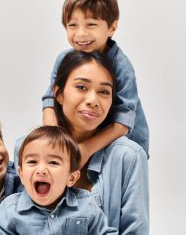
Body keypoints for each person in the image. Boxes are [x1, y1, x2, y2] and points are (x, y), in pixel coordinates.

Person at [16, 51, 149, 234]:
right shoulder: (25, 148)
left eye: (104, 92)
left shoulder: (128, 157)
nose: (93, 100)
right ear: (59, 94)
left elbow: (135, 230)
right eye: (81, 87)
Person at [42, 0, 149, 168]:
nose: (81, 33)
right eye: (72, 25)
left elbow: (122, 123)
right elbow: (50, 99)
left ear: (112, 28)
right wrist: (54, 135)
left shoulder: (121, 67)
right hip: (86, 132)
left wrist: (86, 149)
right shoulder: (64, 59)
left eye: (91, 24)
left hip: (122, 139)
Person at [0, 126, 118, 235]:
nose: (41, 170)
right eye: (32, 161)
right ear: (21, 175)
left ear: (71, 178)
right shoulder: (10, 210)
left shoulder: (86, 204)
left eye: (53, 162)